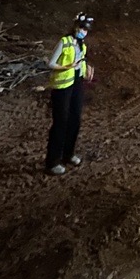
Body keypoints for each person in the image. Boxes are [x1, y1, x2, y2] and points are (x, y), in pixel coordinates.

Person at [44, 13, 95, 175]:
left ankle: (68, 154)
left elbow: (82, 61)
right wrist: (67, 67)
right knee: (60, 123)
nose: (83, 32)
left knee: (75, 120)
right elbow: (51, 63)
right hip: (62, 87)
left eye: (86, 30)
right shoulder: (64, 42)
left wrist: (86, 70)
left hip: (76, 84)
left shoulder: (82, 44)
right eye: (81, 29)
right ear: (75, 27)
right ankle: (52, 162)